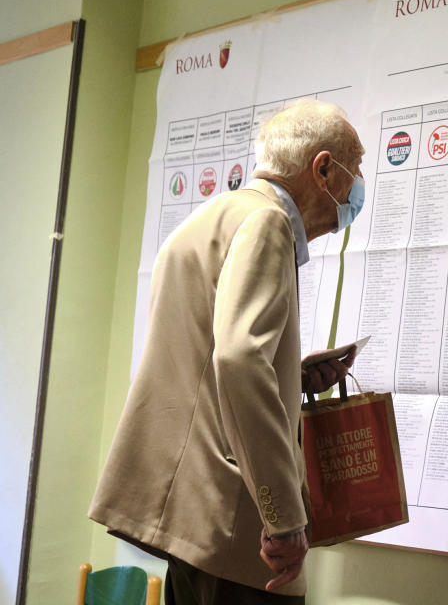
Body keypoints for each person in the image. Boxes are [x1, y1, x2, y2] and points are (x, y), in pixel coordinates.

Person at [89, 100, 365, 604]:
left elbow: (201, 357)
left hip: (192, 523)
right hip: (236, 527)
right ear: (322, 168)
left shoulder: (211, 216)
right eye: (356, 169)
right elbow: (238, 361)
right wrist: (283, 517)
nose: (358, 188)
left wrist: (294, 377)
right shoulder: (269, 223)